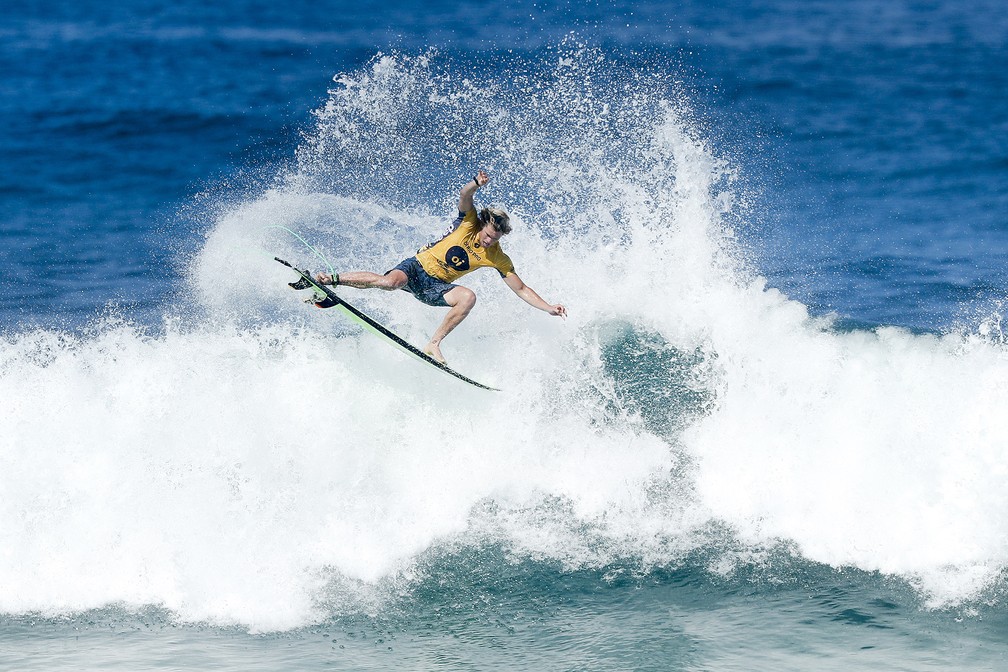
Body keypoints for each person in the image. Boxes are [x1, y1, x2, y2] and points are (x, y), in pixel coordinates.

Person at [315, 170, 567, 363]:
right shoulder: (468, 222)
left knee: (468, 297)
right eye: (488, 234)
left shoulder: (497, 256)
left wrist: (548, 308)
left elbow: (521, 288)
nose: (489, 240)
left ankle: (433, 343)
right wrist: (475, 184)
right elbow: (465, 195)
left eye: (495, 238)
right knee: (391, 282)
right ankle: (330, 279)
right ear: (483, 224)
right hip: (416, 267)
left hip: (434, 287)